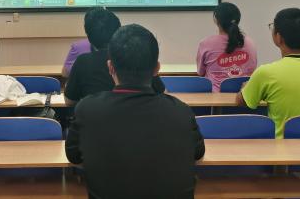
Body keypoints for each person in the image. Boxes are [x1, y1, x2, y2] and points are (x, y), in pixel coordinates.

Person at [66, 24, 205, 199]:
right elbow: (198, 153)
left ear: (110, 67)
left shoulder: (87, 110)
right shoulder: (181, 112)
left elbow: (74, 156)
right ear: (157, 69)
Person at [237, 8, 300, 138]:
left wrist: (246, 87)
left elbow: (241, 101)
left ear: (278, 37)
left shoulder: (266, 73)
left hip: (285, 149)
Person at [65, 8, 164, 106]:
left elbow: (69, 101)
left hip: (96, 115)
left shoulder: (83, 62)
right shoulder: (136, 55)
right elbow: (160, 92)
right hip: (142, 113)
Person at [196, 2, 258, 92]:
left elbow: (200, 72)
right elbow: (252, 71)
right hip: (244, 95)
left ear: (215, 19)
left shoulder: (206, 44)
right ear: (238, 19)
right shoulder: (250, 43)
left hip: (215, 97)